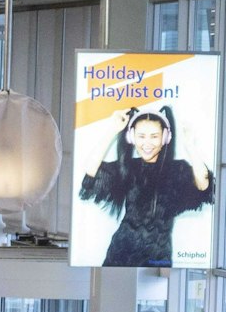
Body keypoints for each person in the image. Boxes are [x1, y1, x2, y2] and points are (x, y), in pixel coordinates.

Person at [79, 106, 216, 267]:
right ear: (131, 137)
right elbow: (90, 173)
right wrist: (112, 131)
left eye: (154, 136)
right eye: (141, 136)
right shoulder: (128, 167)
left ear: (165, 138)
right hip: (121, 253)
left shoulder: (177, 169)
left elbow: (204, 185)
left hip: (158, 255)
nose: (147, 143)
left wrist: (190, 146)